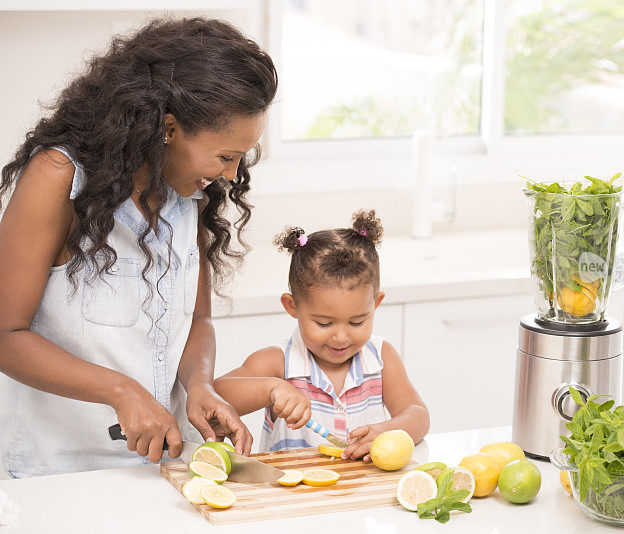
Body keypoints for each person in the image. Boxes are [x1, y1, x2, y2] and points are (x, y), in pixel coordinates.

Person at [0, 17, 278, 477]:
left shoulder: (192, 194)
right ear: (168, 128)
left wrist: (200, 385)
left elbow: (198, 318)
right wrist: (122, 391)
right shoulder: (59, 178)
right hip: (59, 472)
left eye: (240, 159)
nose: (231, 175)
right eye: (225, 156)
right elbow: (6, 336)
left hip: (167, 467)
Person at [214, 210, 430, 459]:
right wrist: (271, 389)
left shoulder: (380, 358)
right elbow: (213, 396)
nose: (341, 337)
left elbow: (418, 414)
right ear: (292, 306)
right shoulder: (278, 363)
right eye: (324, 323)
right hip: (295, 495)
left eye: (357, 321)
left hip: (362, 491)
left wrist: (388, 430)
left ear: (376, 303)